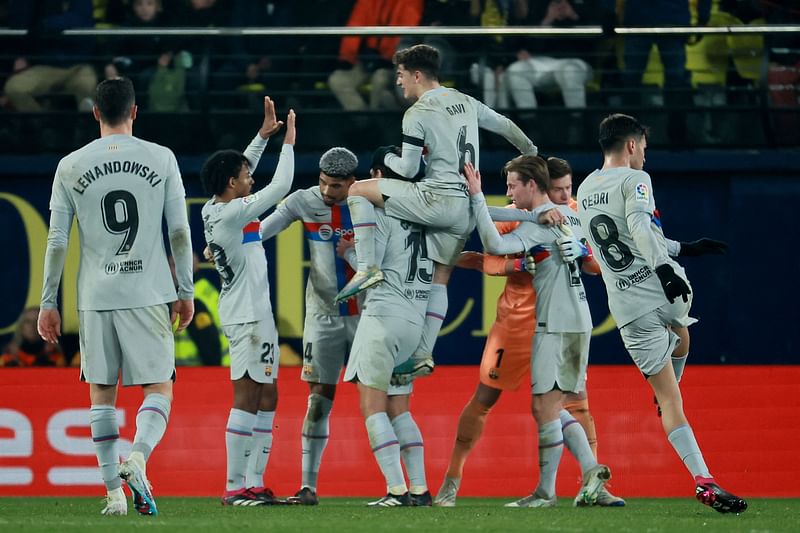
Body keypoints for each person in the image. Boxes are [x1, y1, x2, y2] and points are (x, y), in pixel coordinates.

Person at [37, 77, 195, 517]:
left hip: (95, 295)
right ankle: (139, 458)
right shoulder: (161, 158)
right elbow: (179, 232)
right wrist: (185, 290)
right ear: (135, 111)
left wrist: (49, 301)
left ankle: (113, 495)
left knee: (101, 396)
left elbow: (55, 241)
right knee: (158, 387)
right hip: (147, 289)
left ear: (95, 113)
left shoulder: (70, 164)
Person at [576, 113, 746, 514]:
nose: (645, 158)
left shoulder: (584, 190)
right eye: (645, 149)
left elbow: (626, 239)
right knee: (680, 335)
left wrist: (684, 248)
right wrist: (668, 269)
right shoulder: (636, 179)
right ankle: (703, 479)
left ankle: (703, 480)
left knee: (673, 387)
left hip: (626, 308)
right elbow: (637, 224)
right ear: (632, 145)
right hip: (659, 291)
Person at [336, 43, 537, 377]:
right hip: (466, 207)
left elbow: (407, 168)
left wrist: (384, 156)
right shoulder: (464, 101)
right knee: (441, 277)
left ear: (416, 74)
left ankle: (368, 267)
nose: (398, 82)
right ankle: (424, 355)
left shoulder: (416, 113)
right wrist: (531, 151)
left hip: (435, 199)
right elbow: (504, 124)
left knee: (357, 190)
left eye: (400, 75)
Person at [435, 155, 624, 508]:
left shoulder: (551, 219)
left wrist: (477, 197)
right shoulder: (566, 216)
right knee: (547, 405)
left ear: (530, 185)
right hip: (556, 320)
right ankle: (589, 470)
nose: (566, 196)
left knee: (552, 407)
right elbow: (497, 251)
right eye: (560, 189)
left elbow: (493, 247)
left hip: (552, 322)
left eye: (511, 185)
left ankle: (554, 490)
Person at [200, 97, 295, 506]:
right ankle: (234, 486)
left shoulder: (216, 208)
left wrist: (260, 137)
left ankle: (254, 482)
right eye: (244, 176)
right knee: (247, 396)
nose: (250, 179)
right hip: (247, 318)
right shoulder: (230, 214)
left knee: (268, 394)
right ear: (231, 185)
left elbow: (244, 172)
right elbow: (279, 186)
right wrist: (288, 144)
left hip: (256, 315)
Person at [256, 146, 361, 505]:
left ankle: (403, 487)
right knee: (318, 400)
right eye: (323, 183)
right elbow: (264, 227)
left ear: (352, 182)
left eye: (335, 186)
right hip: (322, 312)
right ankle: (308, 487)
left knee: (383, 398)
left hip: (367, 312)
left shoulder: (371, 203)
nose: (327, 192)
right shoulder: (305, 201)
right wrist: (235, 240)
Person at [342, 164, 434, 507]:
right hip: (414, 320)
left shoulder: (381, 213)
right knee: (400, 409)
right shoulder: (428, 219)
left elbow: (373, 265)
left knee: (372, 407)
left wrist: (349, 254)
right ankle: (421, 489)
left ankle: (396, 490)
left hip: (382, 316)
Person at [170, 252, 228, 366]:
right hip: (217, 369)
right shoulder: (203, 288)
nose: (170, 270)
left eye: (173, 265)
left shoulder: (192, 298)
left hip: (202, 371)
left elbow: (209, 344)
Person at [1, 307, 65, 367]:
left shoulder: (54, 355)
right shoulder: (8, 355)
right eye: (28, 322)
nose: (32, 326)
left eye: (37, 321)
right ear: (21, 326)